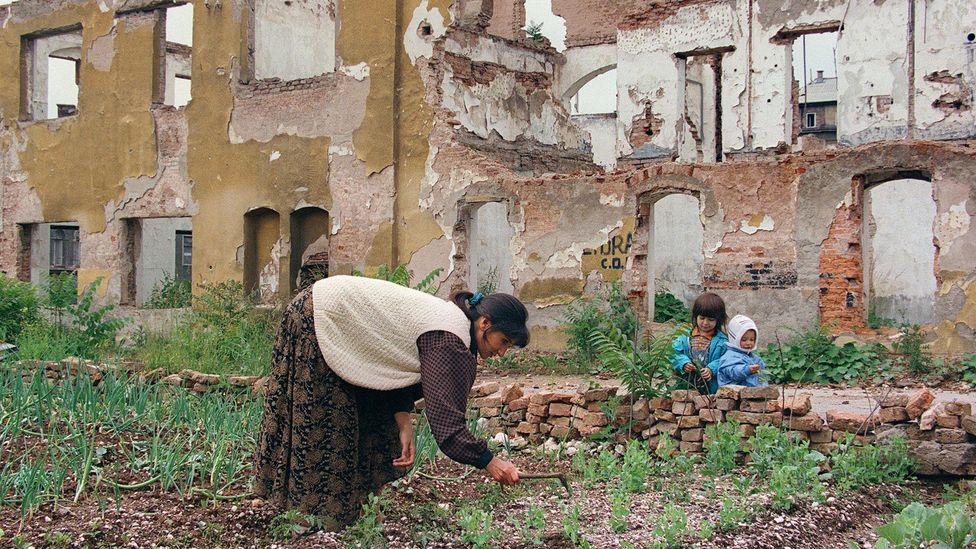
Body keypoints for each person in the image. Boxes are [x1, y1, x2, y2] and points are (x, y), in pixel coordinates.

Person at [253, 275, 528, 529]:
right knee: (326, 423)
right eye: (503, 341)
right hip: (320, 318)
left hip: (331, 315)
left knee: (371, 416)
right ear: (485, 323)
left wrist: (402, 417)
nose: (501, 352)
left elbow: (393, 359)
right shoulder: (449, 339)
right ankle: (313, 518)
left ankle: (357, 510)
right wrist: (490, 461)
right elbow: (448, 428)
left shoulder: (452, 328)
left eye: (508, 346)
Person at [669, 292, 728, 395]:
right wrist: (683, 363)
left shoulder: (722, 341)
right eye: (702, 318)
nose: (705, 323)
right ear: (695, 316)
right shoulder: (685, 336)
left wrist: (711, 369)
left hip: (712, 387)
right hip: (687, 383)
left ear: (718, 320)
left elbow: (726, 359)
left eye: (711, 319)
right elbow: (673, 352)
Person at [717, 314, 768, 387]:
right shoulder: (729, 357)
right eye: (744, 340)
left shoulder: (755, 359)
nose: (748, 343)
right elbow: (732, 372)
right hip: (734, 394)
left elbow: (762, 377)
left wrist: (764, 388)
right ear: (734, 338)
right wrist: (746, 370)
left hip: (755, 394)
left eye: (752, 340)